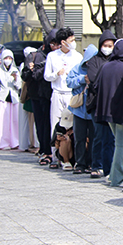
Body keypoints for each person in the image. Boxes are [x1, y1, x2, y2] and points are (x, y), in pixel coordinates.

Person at [95, 39, 123, 187]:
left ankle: (113, 174)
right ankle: (117, 178)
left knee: (116, 143)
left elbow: (96, 86)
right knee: (121, 144)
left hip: (107, 111)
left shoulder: (105, 66)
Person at [44, 27, 82, 169]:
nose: (73, 43)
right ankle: (55, 157)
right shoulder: (52, 56)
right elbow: (47, 76)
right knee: (55, 124)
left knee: (71, 126)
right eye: (70, 40)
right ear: (63, 42)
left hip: (71, 95)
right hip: (57, 93)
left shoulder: (77, 56)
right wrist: (56, 74)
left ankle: (71, 157)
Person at [22, 29, 57, 165]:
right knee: (41, 124)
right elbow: (25, 76)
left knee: (52, 124)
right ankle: (44, 150)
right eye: (52, 43)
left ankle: (54, 151)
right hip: (37, 96)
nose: (55, 46)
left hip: (52, 94)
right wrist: (31, 70)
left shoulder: (58, 56)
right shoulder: (35, 56)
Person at [86, 30, 117, 179]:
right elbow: (93, 78)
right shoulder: (93, 61)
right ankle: (97, 165)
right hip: (97, 103)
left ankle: (111, 166)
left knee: (112, 138)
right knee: (99, 135)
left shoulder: (117, 59)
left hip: (113, 104)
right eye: (105, 45)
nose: (107, 48)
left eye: (110, 45)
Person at [66, 44, 98, 174]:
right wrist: (82, 79)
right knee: (79, 138)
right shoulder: (77, 69)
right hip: (79, 110)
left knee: (93, 138)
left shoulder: (98, 69)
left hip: (93, 110)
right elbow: (68, 82)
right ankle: (80, 163)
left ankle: (91, 163)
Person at [0, 49, 22, 150]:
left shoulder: (15, 70)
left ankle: (15, 142)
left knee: (15, 122)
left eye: (10, 58)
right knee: (2, 122)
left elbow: (19, 86)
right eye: (6, 58)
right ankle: (2, 143)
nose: (8, 60)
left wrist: (16, 78)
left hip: (14, 99)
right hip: (1, 99)